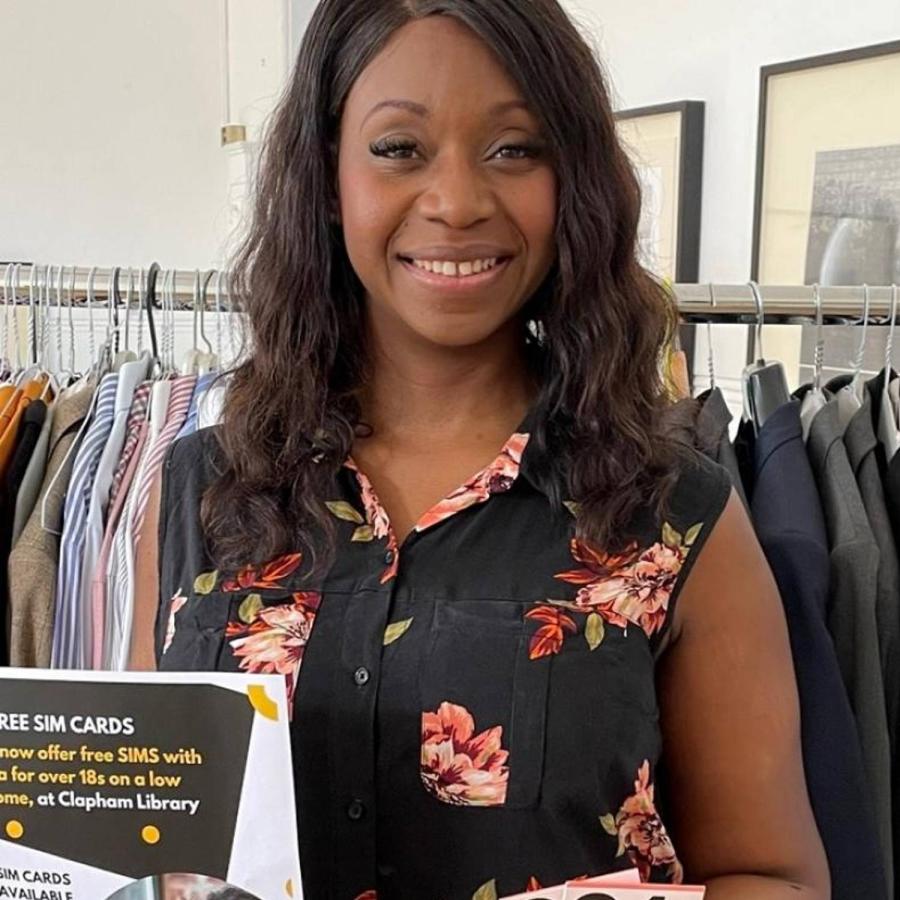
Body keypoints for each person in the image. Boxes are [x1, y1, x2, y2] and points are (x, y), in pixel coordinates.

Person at [137, 1, 830, 898]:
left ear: (572, 179)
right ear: (327, 175)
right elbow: (139, 838)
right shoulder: (205, 492)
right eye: (399, 149)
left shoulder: (674, 515)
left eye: (515, 149)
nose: (458, 202)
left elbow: (775, 877)